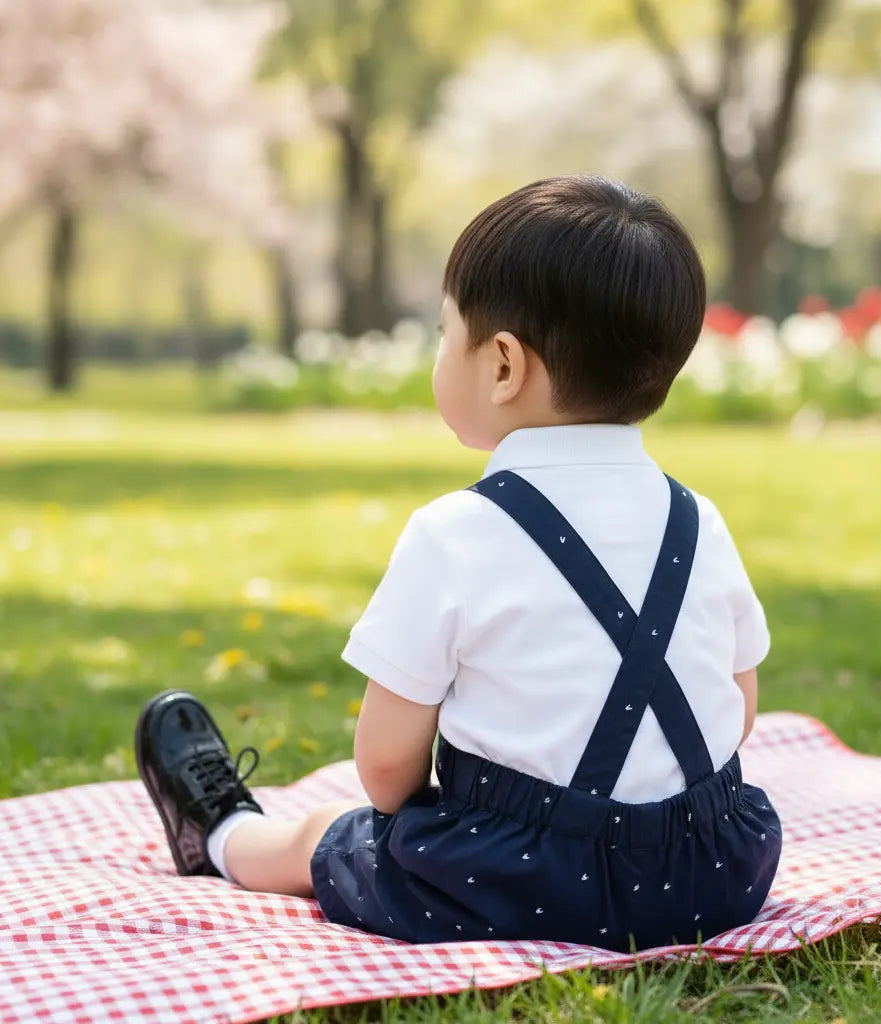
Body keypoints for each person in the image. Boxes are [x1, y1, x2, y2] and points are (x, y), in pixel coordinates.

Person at [135, 175, 782, 952]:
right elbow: (738, 706)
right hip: (710, 876)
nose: (440, 352)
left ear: (503, 364)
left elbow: (383, 771)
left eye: (447, 333)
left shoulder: (455, 534)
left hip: (519, 886)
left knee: (328, 835)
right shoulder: (700, 521)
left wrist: (443, 821)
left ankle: (223, 836)